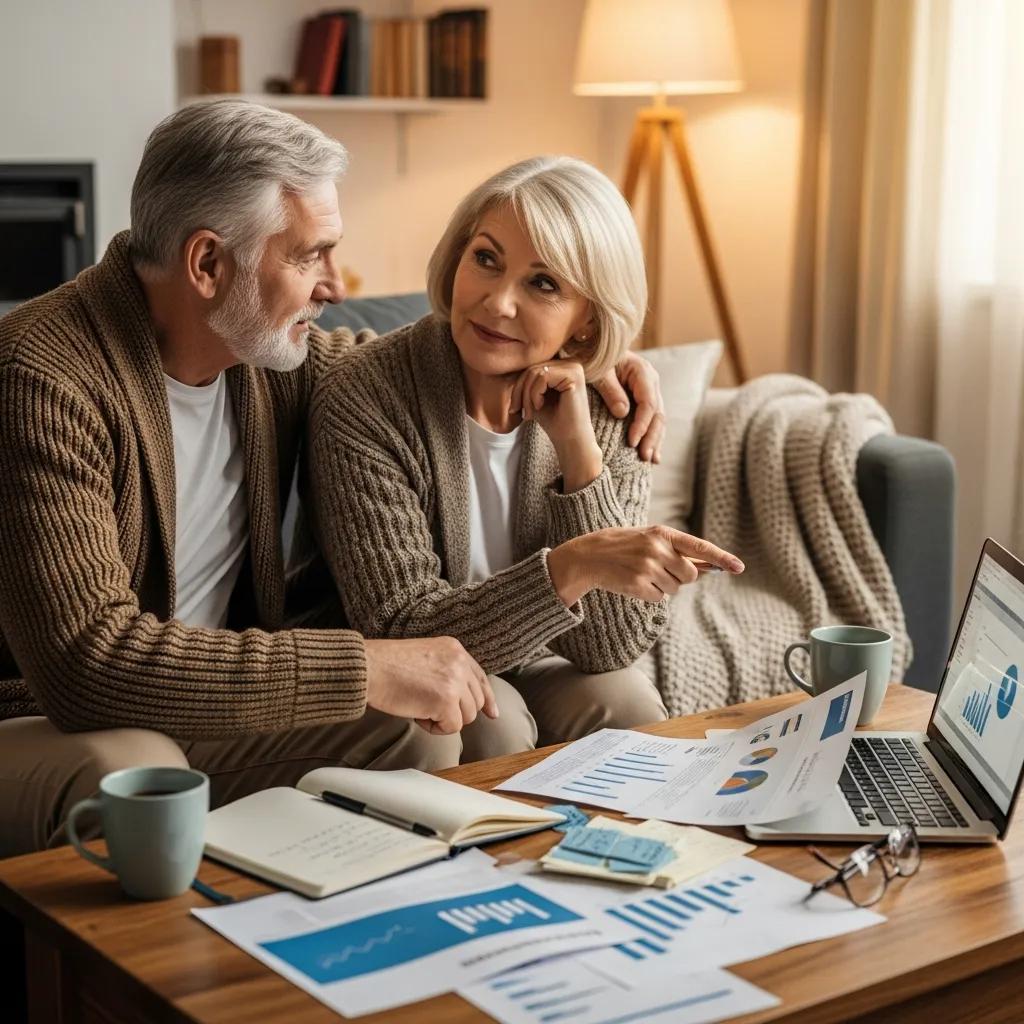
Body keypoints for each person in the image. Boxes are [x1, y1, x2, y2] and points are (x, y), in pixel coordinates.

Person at [0, 103, 669, 857]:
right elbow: (90, 666)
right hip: (48, 717)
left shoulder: (264, 353)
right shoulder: (43, 377)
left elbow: (400, 371)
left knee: (418, 727)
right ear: (208, 264)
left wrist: (613, 366)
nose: (333, 285)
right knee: (133, 771)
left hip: (208, 701)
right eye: (310, 256)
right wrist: (363, 664)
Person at [308, 156, 744, 756]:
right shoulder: (369, 395)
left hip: (535, 658)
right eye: (485, 259)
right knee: (494, 720)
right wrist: (571, 566)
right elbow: (402, 630)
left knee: (629, 700)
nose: (497, 303)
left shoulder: (610, 403)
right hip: (411, 666)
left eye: (543, 284)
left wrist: (579, 452)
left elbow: (610, 647)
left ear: (586, 320)